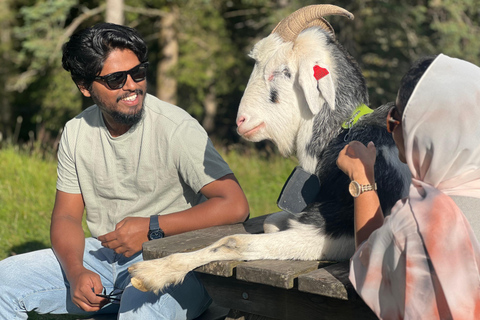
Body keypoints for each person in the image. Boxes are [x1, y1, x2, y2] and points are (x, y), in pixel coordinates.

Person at [0, 23, 249, 319]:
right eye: (116, 79)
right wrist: (77, 271)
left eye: (138, 72)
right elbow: (66, 216)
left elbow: (235, 204)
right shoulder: (76, 132)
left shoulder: (176, 127)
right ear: (84, 86)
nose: (132, 85)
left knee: (139, 312)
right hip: (104, 258)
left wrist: (152, 227)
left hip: (176, 261)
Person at [336, 54, 480, 319]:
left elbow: (371, 268)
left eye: (395, 118)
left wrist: (362, 178)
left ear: (422, 130)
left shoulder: (416, 226)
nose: (391, 128)